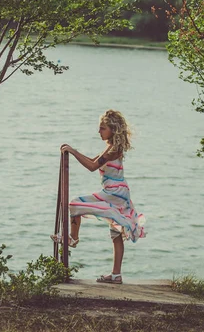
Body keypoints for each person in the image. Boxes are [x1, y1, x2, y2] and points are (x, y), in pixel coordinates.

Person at [51, 109, 146, 284]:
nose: (99, 132)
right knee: (115, 232)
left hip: (114, 193)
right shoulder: (111, 148)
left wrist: (72, 151)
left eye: (102, 128)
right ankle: (116, 275)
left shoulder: (113, 150)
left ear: (112, 129)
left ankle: (73, 238)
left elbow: (92, 166)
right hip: (118, 192)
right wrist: (73, 152)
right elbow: (92, 161)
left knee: (75, 204)